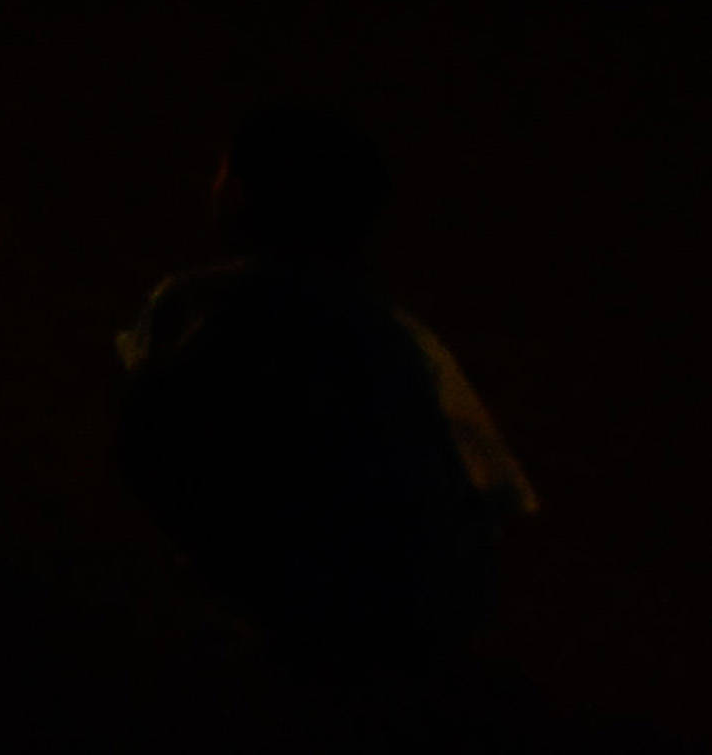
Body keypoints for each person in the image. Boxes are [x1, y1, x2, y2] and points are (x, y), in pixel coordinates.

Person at [115, 103, 534, 684]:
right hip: (401, 637)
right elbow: (493, 496)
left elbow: (149, 445)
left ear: (236, 191)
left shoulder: (197, 307)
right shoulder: (401, 338)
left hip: (290, 624)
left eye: (220, 171)